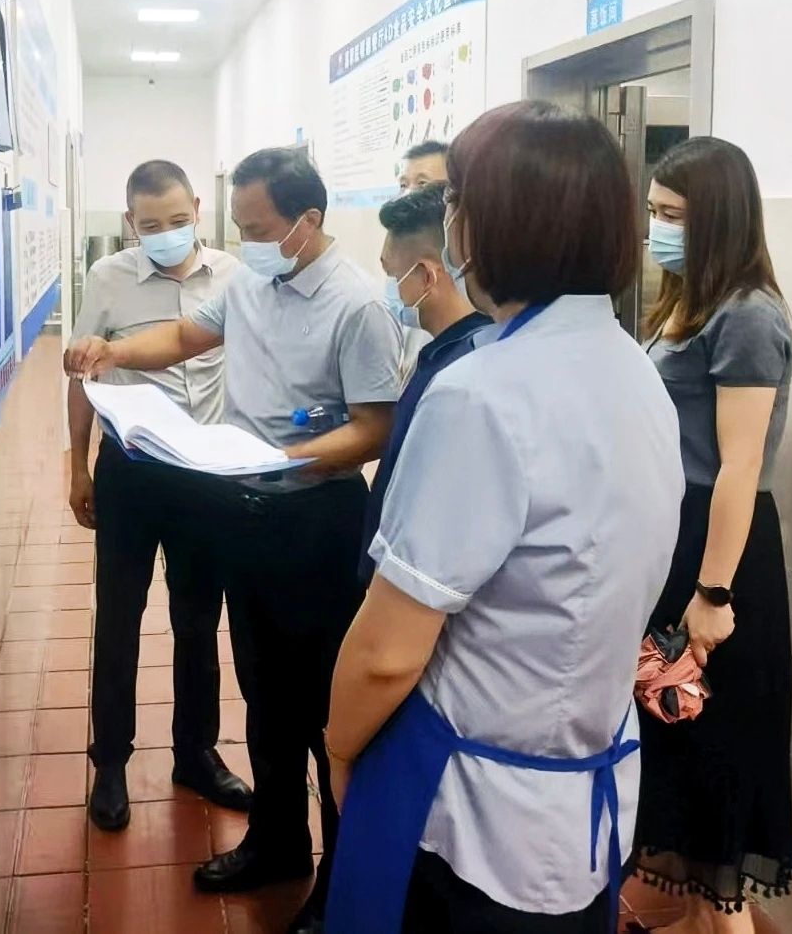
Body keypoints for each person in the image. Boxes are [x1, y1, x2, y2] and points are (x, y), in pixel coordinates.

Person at [322, 100, 685, 934]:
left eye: (456, 201)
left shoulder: (481, 394)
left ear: (488, 224)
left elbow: (388, 651)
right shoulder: (635, 370)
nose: (450, 223)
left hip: (473, 812)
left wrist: (341, 749)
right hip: (584, 794)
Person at [65, 146, 403, 933]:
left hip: (317, 521)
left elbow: (376, 426)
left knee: (323, 708)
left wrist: (286, 456)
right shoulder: (254, 282)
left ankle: (339, 873)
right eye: (239, 226)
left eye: (256, 228)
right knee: (264, 691)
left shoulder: (355, 305)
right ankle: (278, 841)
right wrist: (114, 351)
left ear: (307, 221)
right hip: (248, 509)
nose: (243, 242)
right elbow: (187, 335)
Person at [631, 137, 792, 931]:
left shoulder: (749, 316)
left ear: (719, 219)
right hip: (677, 536)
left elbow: (741, 463)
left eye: (672, 215)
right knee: (680, 744)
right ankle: (703, 918)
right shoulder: (686, 302)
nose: (656, 228)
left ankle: (723, 922)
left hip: (719, 550)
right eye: (654, 211)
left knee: (715, 749)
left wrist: (712, 593)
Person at [67, 159, 251, 831]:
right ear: (130, 223)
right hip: (132, 469)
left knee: (199, 619)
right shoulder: (107, 278)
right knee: (118, 618)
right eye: (151, 225)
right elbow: (81, 373)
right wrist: (77, 466)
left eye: (177, 219)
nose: (167, 232)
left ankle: (196, 753)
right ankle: (111, 762)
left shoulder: (235, 275)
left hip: (205, 473)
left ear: (198, 208)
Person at [361, 182, 491, 584]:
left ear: (425, 275)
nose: (389, 288)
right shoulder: (440, 353)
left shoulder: (462, 375)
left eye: (391, 274)